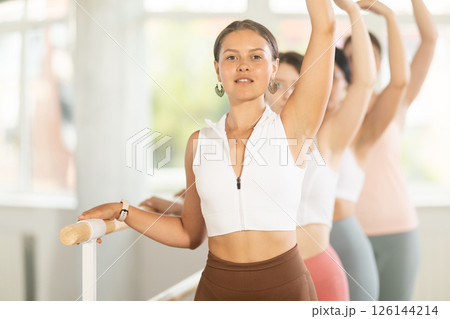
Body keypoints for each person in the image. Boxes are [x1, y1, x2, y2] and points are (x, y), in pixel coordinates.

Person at [79, 0, 336, 301]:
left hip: (285, 288)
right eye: (231, 57)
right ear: (218, 70)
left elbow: (326, 27)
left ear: (273, 68)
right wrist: (122, 211)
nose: (243, 65)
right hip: (218, 289)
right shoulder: (198, 143)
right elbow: (190, 234)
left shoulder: (293, 127)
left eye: (256, 56)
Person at [270, 0, 375, 301]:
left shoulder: (326, 137)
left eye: (296, 84)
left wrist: (354, 13)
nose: (288, 93)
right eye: (277, 85)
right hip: (270, 277)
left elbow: (364, 84)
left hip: (319, 269)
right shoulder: (253, 141)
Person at [352, 0, 437, 301]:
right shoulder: (331, 112)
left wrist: (391, 12)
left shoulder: (396, 103)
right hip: (345, 232)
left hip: (396, 229)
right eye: (351, 57)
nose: (360, 62)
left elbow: (429, 40)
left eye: (368, 55)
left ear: (380, 61)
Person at [330, 0, 411, 301]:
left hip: (380, 227)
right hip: (325, 237)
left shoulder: (364, 127)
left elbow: (399, 81)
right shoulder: (312, 128)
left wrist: (387, 14)